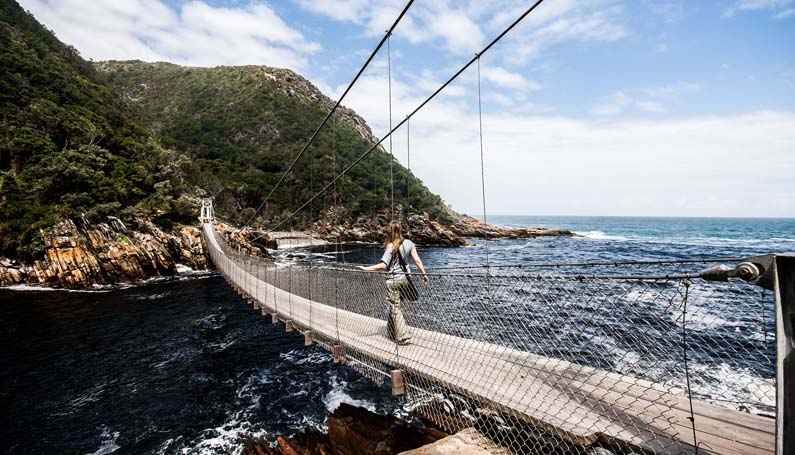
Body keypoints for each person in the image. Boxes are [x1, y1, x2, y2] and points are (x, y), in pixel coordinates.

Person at [358, 221, 428, 345]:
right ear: (401, 230)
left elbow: (383, 266)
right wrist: (424, 275)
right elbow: (417, 260)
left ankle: (403, 336)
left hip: (393, 281)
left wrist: (366, 268)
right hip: (405, 279)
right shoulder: (409, 243)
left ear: (389, 231)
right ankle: (391, 332)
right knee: (395, 305)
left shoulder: (391, 246)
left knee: (395, 306)